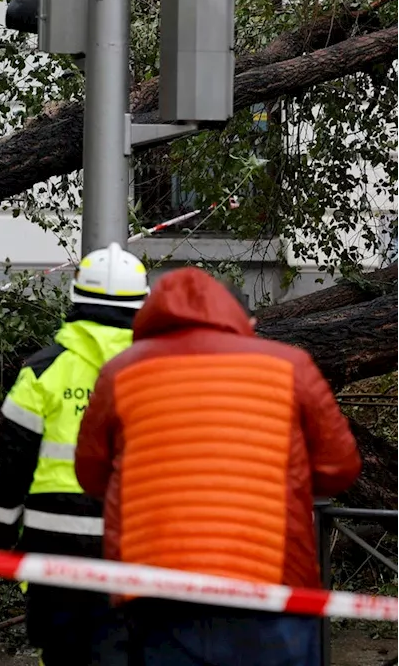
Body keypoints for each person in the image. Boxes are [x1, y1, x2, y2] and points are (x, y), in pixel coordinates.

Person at [76, 267, 361, 666]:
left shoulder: (121, 372)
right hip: (270, 584)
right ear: (246, 322)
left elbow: (90, 475)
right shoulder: (289, 365)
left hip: (158, 588)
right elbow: (341, 467)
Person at [0, 242, 149, 666]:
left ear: (75, 299)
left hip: (53, 541)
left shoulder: (42, 369)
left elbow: (14, 458)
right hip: (131, 537)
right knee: (122, 648)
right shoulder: (158, 374)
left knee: (61, 651)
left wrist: (1, 534)